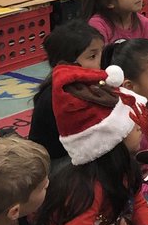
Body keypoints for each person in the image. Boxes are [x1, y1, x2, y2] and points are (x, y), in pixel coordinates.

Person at [36, 64, 148, 225]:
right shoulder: (87, 186)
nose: (140, 126)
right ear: (111, 137)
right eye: (132, 122)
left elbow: (138, 202)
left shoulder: (123, 168)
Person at [30, 21, 104, 162]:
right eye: (92, 56)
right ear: (68, 63)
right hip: (56, 163)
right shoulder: (57, 95)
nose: (100, 62)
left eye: (101, 53)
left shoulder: (89, 84)